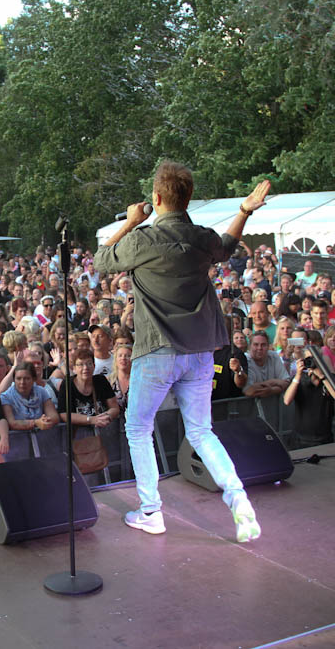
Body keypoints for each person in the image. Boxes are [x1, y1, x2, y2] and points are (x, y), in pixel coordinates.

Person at [95, 161, 268, 541]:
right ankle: (239, 500)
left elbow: (102, 261)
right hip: (201, 351)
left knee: (138, 428)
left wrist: (130, 221)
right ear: (188, 197)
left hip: (157, 351)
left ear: (156, 198)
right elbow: (227, 246)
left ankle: (151, 511)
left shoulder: (143, 240)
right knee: (202, 432)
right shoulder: (202, 237)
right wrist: (244, 211)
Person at [282, 346, 335, 448]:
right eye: (309, 358)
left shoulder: (330, 378)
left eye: (316, 358)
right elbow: (287, 400)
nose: (312, 361)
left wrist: (322, 376)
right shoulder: (300, 380)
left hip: (324, 438)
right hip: (301, 439)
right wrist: (298, 375)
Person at [0, 362, 60, 432]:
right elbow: (12, 423)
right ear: (13, 380)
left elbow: (54, 416)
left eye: (27, 378)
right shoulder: (6, 397)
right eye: (18, 379)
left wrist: (45, 420)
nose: (22, 382)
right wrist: (35, 423)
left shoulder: (41, 391)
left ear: (34, 379)